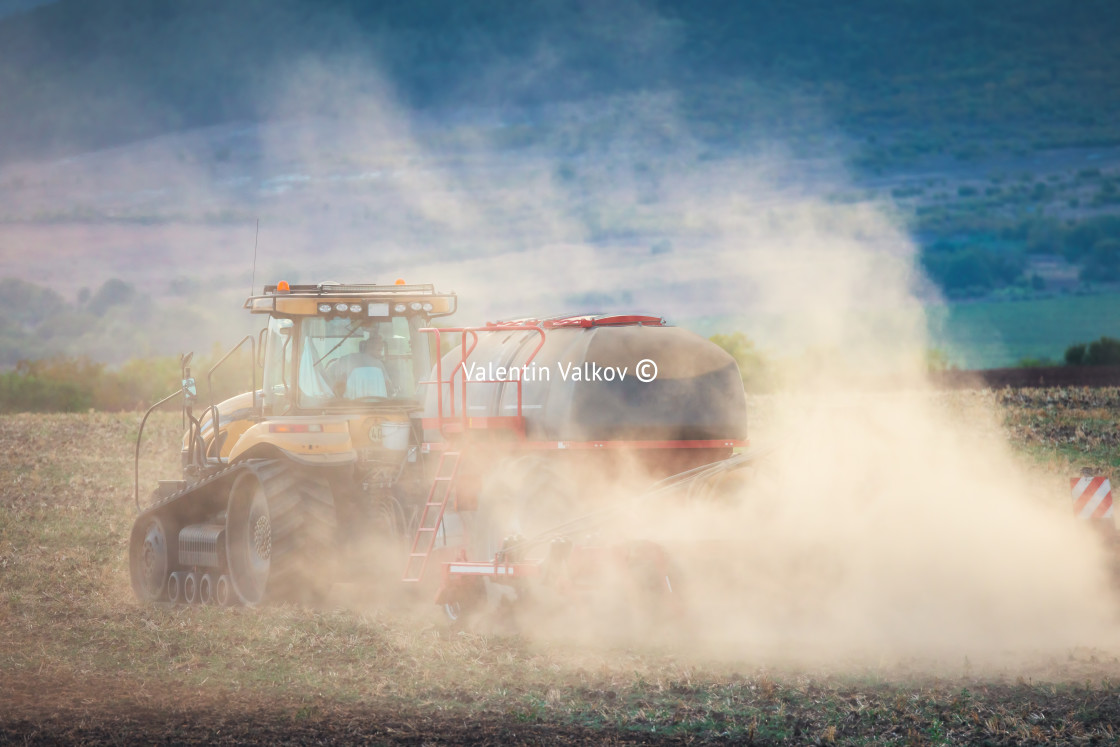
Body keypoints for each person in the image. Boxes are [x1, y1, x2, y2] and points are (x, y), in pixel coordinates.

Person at [330, 328, 391, 398]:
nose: (381, 354)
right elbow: (387, 386)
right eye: (379, 350)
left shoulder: (345, 360)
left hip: (348, 405)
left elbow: (334, 385)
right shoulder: (378, 364)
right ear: (370, 348)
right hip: (377, 405)